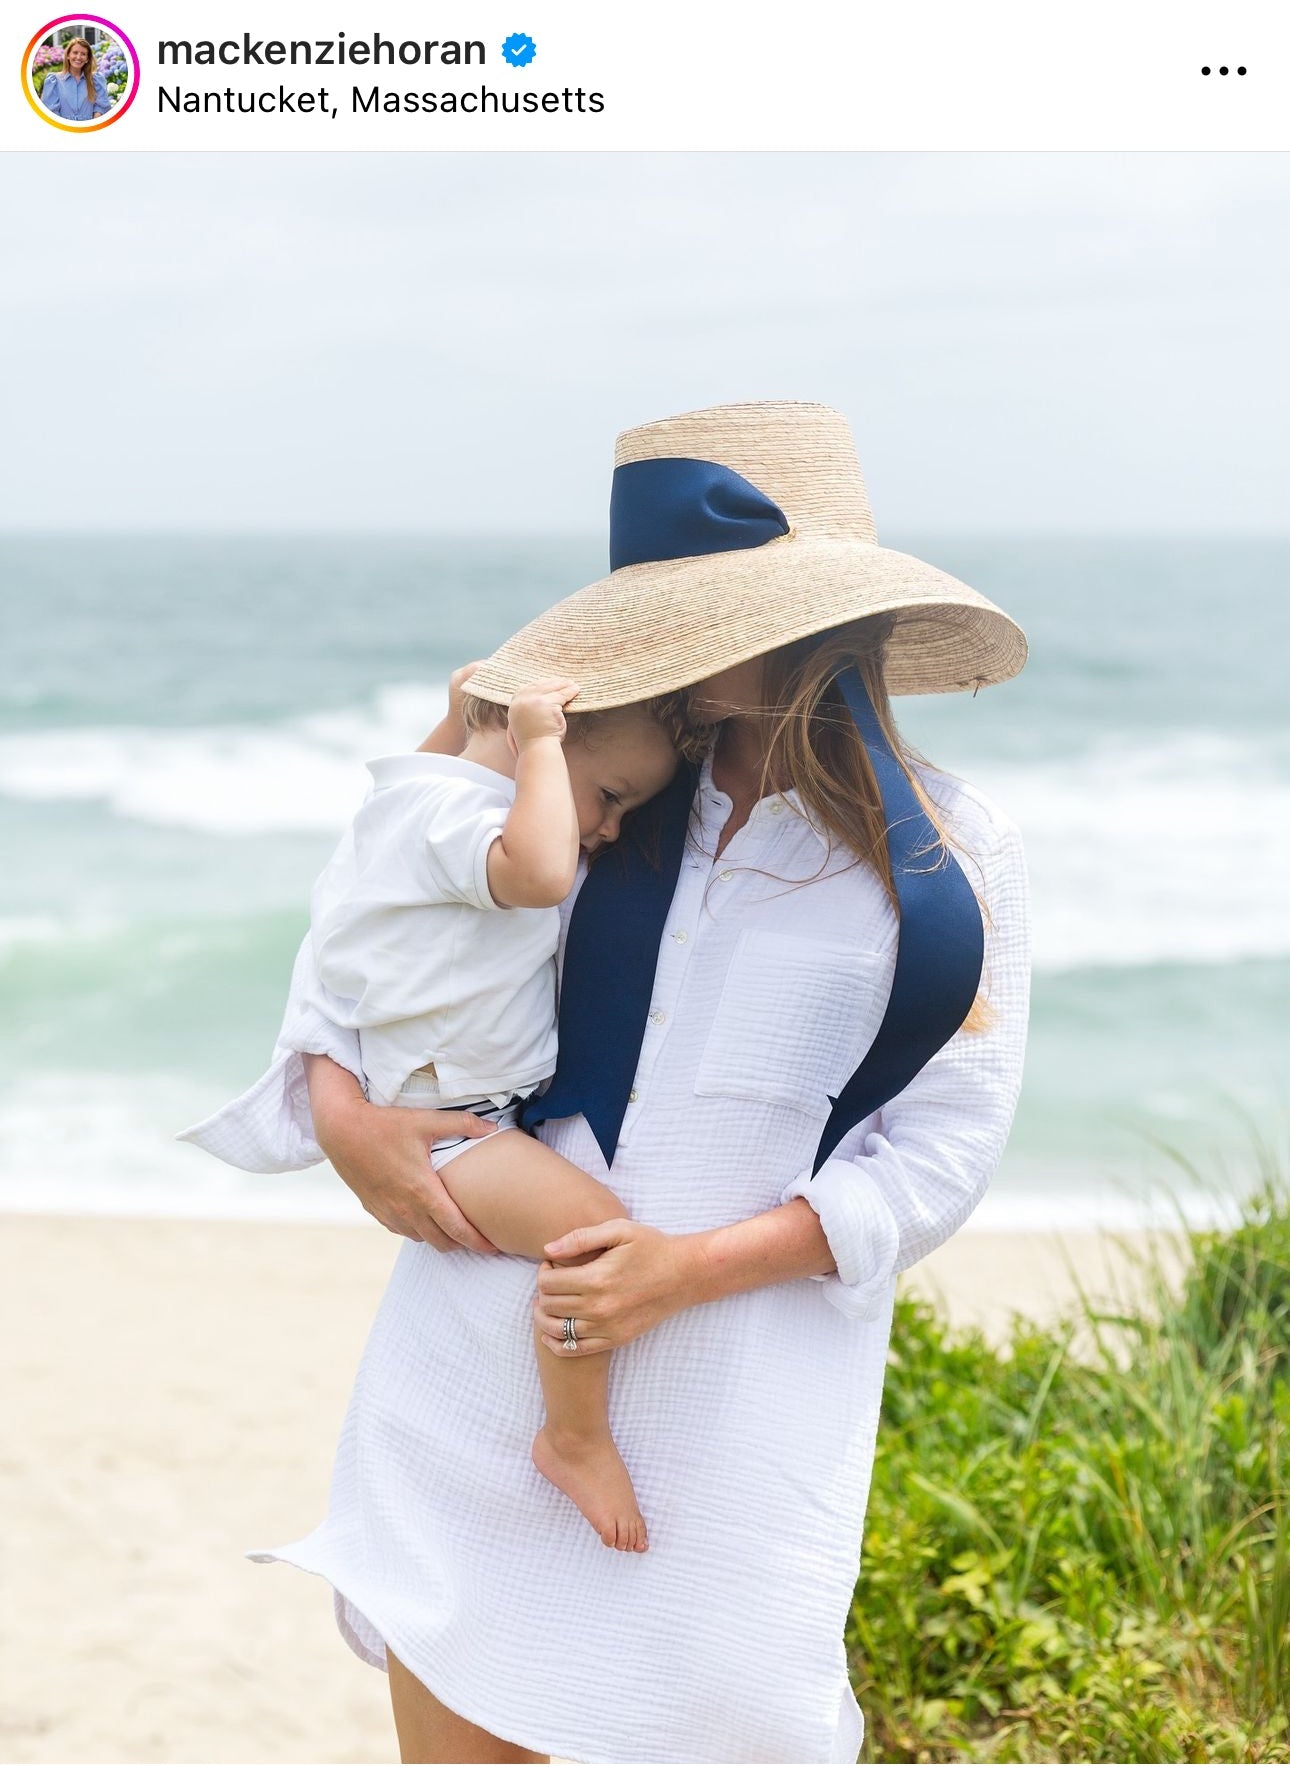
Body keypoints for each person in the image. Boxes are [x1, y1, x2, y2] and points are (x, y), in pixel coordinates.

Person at [180, 400, 1032, 1764]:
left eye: (712, 605)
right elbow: (374, 932)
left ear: (818, 620)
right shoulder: (588, 784)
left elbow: (937, 1156)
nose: (677, 642)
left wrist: (679, 1270)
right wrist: (343, 1116)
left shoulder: (946, 855)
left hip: (739, 1408)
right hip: (471, 1377)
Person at [181, 676, 694, 1553]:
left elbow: (419, 773)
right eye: (608, 798)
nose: (607, 829)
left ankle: (573, 1432)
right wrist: (534, 744)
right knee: (594, 1232)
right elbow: (539, 873)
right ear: (547, 742)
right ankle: (573, 1436)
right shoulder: (458, 817)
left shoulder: (419, 795)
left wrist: (467, 716)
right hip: (451, 1124)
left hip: (461, 1102)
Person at [40, 37, 113, 120]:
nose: (78, 57)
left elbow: (100, 107)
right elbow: (51, 111)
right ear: (68, 55)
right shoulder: (54, 81)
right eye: (75, 53)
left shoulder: (96, 80)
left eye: (83, 54)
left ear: (87, 59)